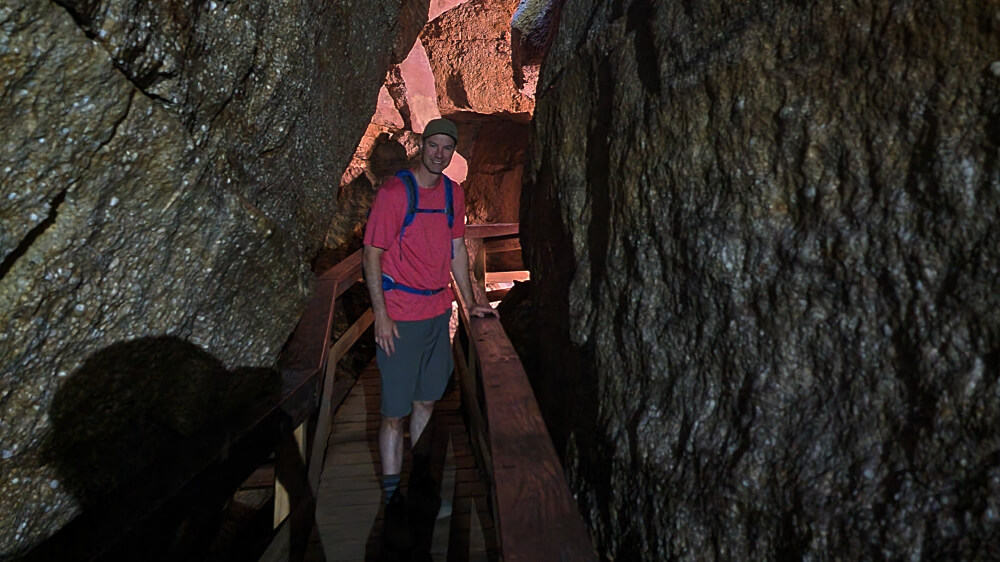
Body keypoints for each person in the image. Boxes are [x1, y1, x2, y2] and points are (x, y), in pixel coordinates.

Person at [362, 118, 497, 513]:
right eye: (433, 145)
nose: (439, 153)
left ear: (452, 151)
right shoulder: (394, 193)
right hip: (400, 318)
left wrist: (470, 301)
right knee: (393, 414)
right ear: (422, 146)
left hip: (438, 312)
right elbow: (372, 253)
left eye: (446, 147)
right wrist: (381, 316)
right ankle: (392, 499)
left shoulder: (454, 195)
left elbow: (456, 250)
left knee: (425, 405)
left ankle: (420, 491)